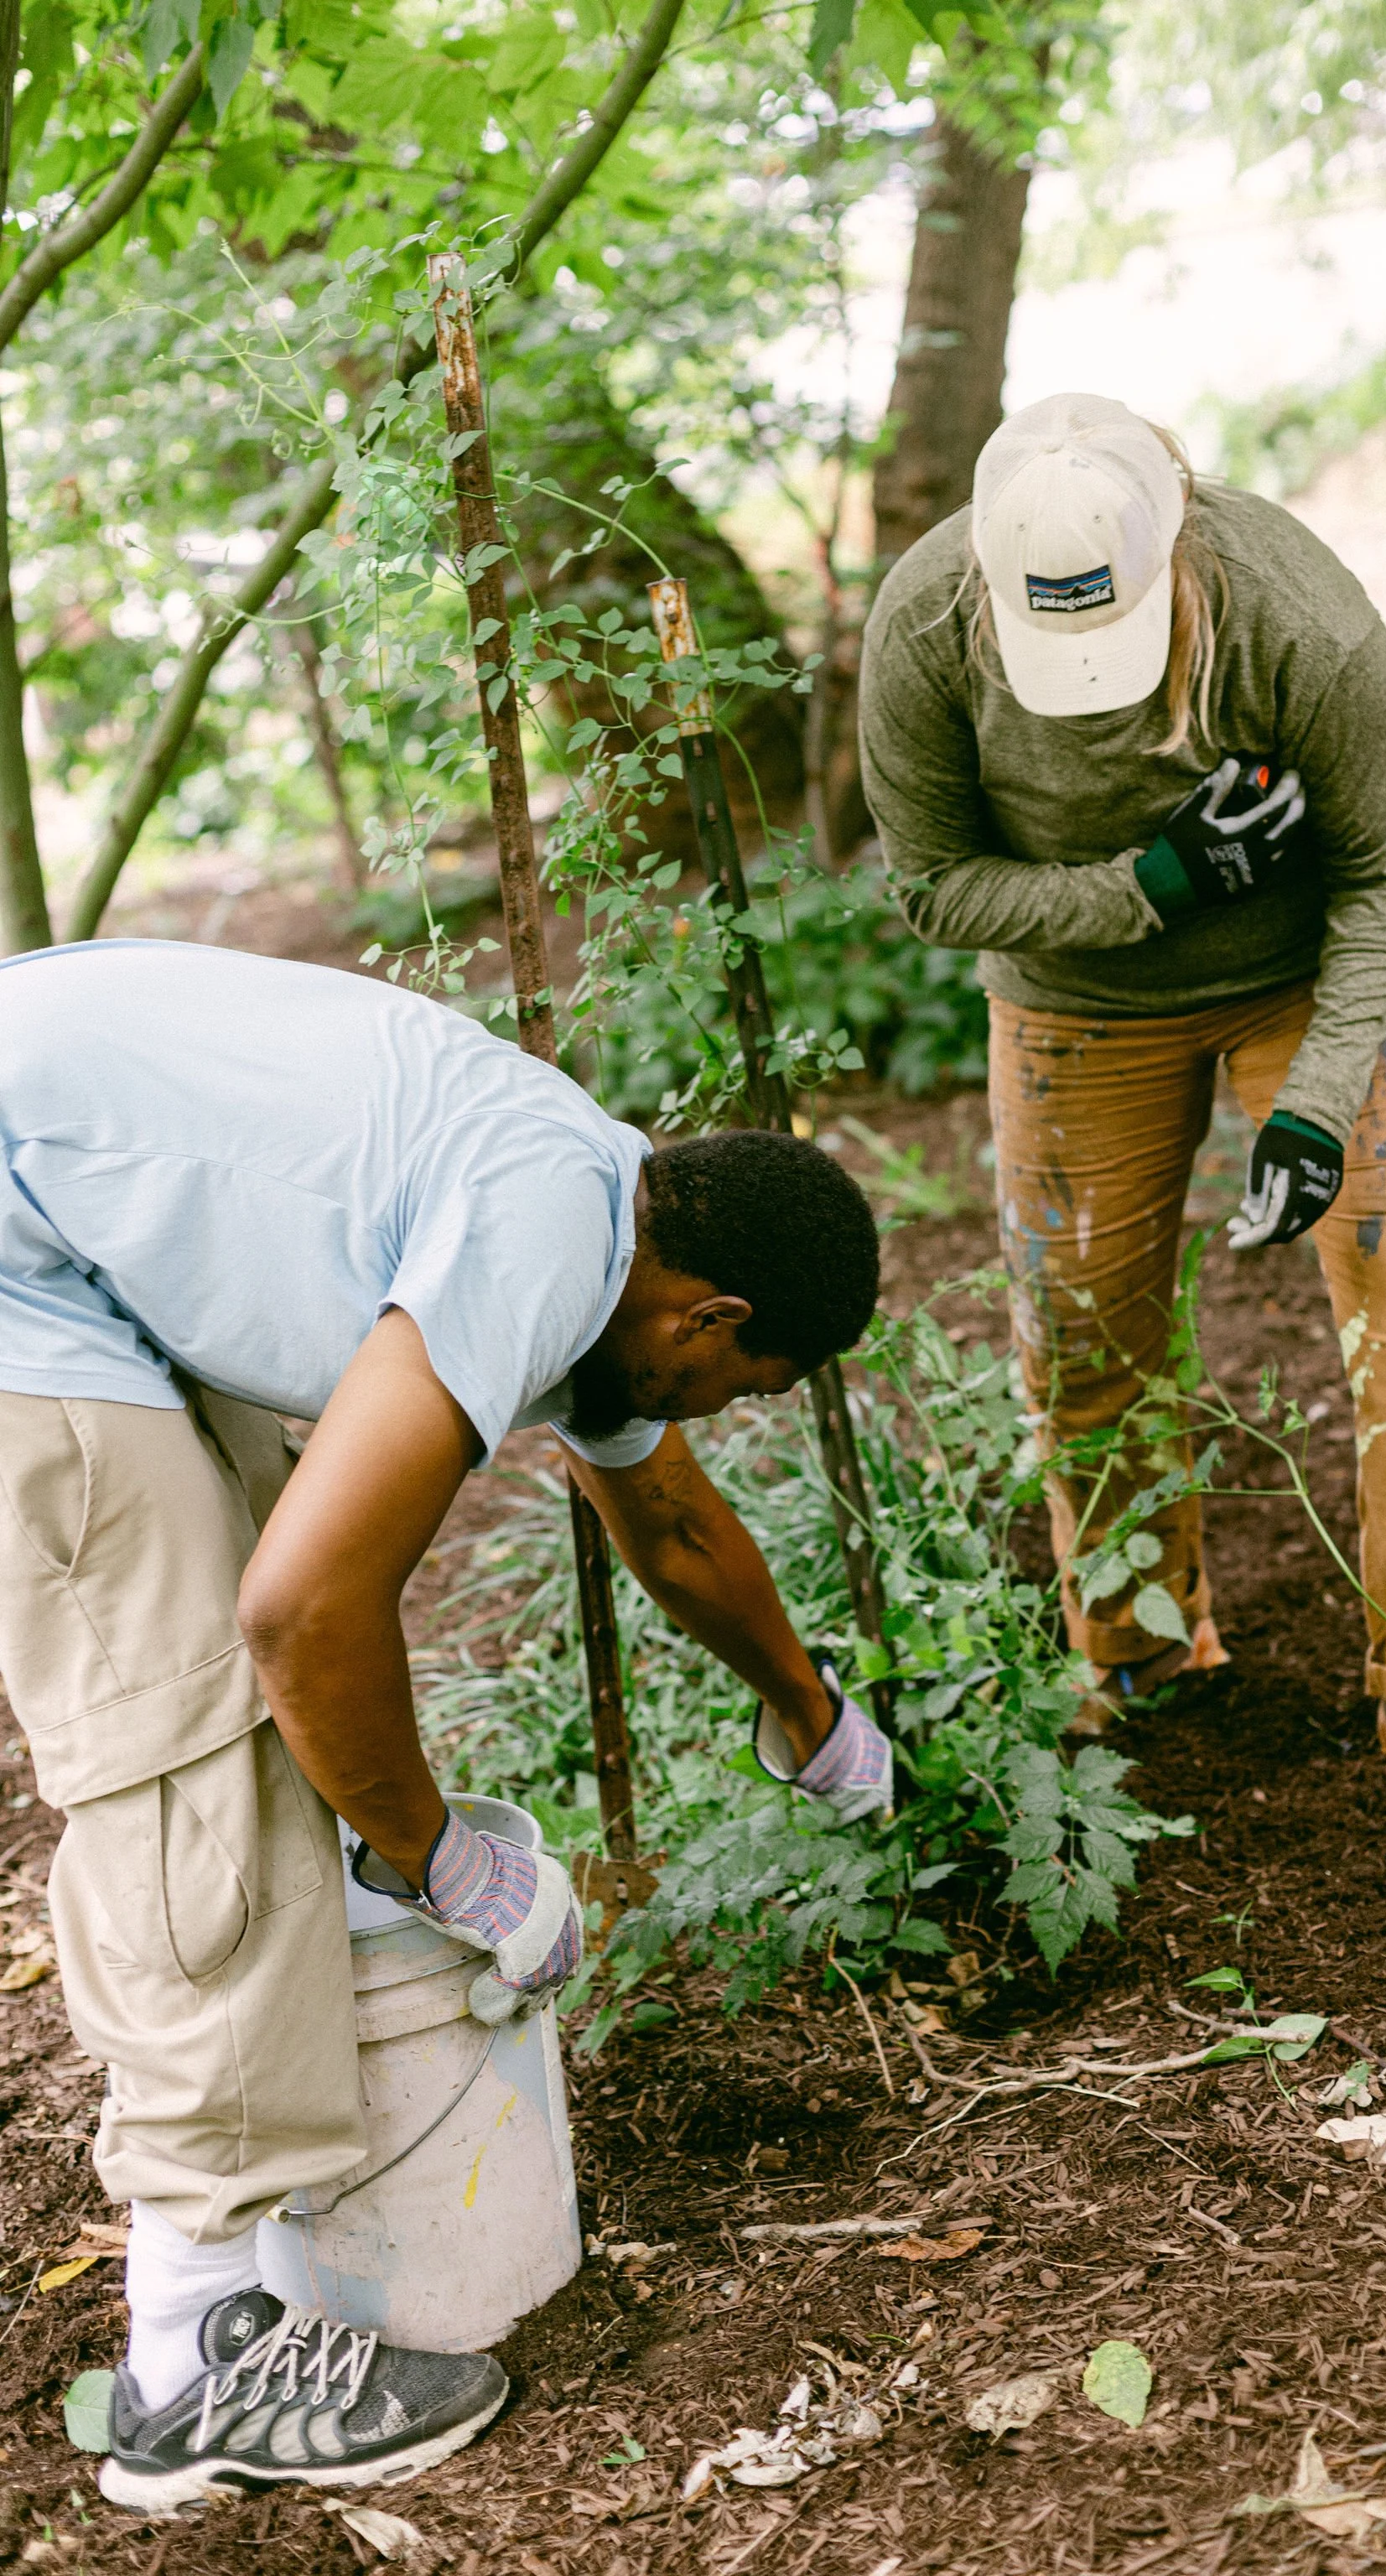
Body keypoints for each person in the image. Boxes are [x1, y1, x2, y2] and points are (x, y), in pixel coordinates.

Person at [0, 938, 890, 2511]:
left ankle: (247, 2194)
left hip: (59, 1209)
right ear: (710, 1317)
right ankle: (186, 2364)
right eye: (743, 1387)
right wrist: (435, 1861)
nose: (713, 1416)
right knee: (193, 1743)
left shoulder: (610, 1217)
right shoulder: (542, 1239)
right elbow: (303, 1615)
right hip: (20, 1252)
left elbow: (674, 1525)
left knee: (265, 1632)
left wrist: (812, 1716)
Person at [859, 389, 1386, 1789]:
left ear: (1174, 548)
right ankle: (1139, 1659)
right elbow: (931, 888)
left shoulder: (1301, 618)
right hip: (1079, 998)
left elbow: (1381, 877)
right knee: (1081, 1332)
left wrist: (1318, 1103)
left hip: (1317, 967)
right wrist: (1151, 885)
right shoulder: (924, 624)